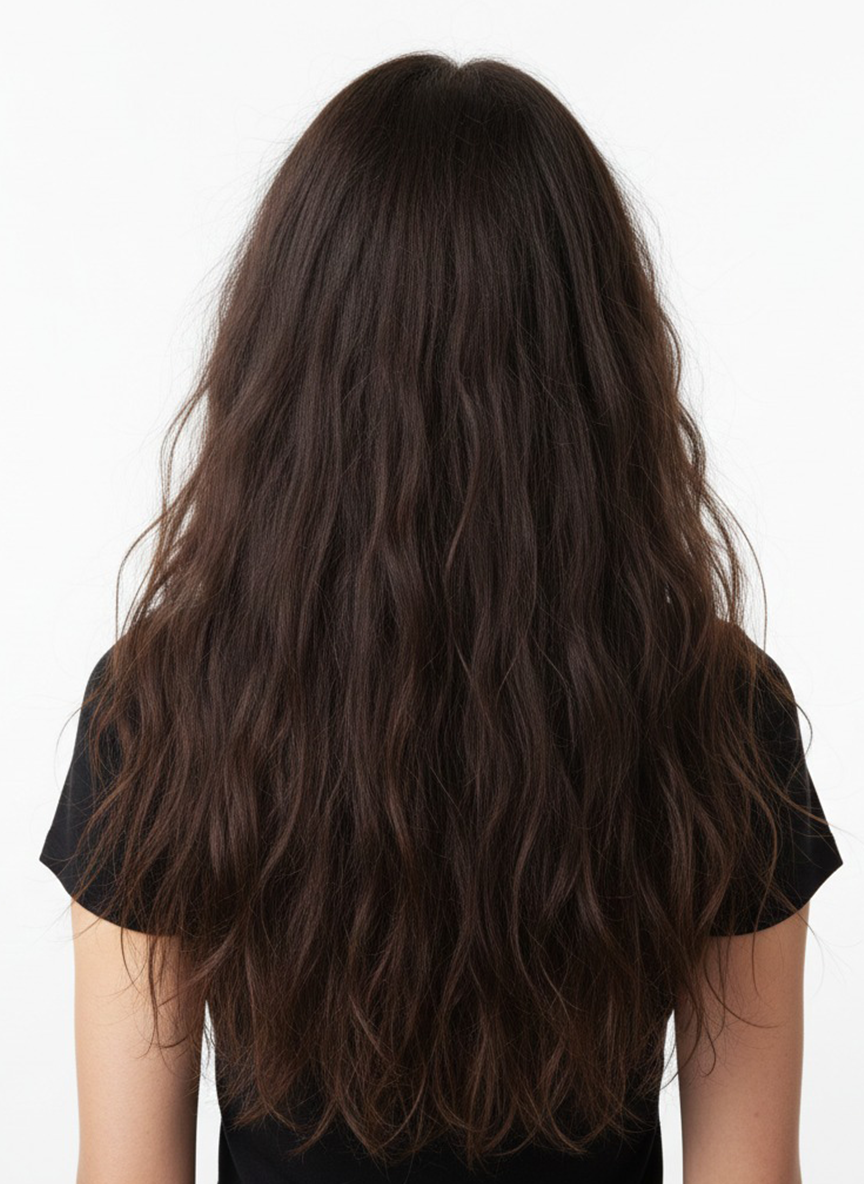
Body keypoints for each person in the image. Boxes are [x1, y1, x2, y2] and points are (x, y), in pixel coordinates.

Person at [39, 51, 844, 1184]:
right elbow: (750, 1173)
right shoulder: (718, 712)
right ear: (598, 365)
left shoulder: (163, 708)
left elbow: (127, 1171)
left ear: (287, 364)